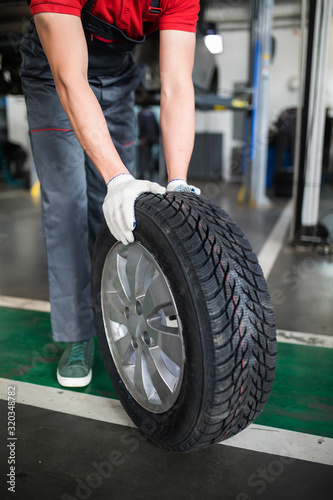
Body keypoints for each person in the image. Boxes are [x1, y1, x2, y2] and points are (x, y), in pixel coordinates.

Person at [20, 0, 200, 388]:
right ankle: (76, 336)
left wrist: (179, 181)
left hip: (117, 83)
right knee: (68, 207)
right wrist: (117, 176)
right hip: (54, 80)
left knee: (119, 211)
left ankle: (112, 314)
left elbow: (176, 85)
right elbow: (70, 78)